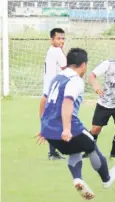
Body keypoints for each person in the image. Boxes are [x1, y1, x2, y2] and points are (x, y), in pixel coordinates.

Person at [39, 48, 115, 200]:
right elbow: (68, 101)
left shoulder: (57, 78)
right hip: (66, 127)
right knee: (91, 146)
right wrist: (67, 129)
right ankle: (106, 180)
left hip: (48, 129)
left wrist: (43, 126)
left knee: (75, 149)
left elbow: (43, 99)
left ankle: (78, 179)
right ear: (83, 65)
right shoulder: (76, 80)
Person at [39, 28, 67, 160]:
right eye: (58, 38)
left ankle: (53, 151)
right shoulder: (57, 51)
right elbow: (66, 68)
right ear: (52, 40)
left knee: (54, 120)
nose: (61, 41)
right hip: (54, 90)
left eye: (63, 38)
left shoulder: (51, 50)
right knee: (57, 120)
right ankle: (52, 152)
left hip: (48, 89)